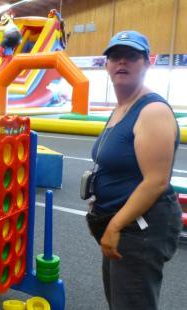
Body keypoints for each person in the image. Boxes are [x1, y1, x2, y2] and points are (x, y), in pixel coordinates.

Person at [85, 30, 182, 310]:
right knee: (121, 300)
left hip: (142, 227)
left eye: (131, 56)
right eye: (115, 56)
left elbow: (155, 181)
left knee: (133, 302)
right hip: (122, 220)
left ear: (147, 63)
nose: (122, 62)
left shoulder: (152, 111)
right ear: (106, 64)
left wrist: (114, 225)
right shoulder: (121, 108)